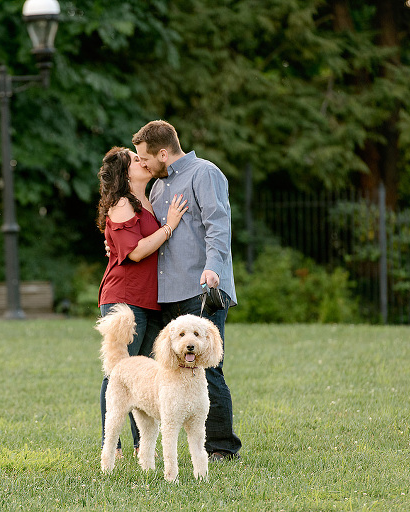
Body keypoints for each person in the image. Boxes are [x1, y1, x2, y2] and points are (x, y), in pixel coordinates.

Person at [131, 120, 242, 461]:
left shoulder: (204, 173)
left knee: (208, 368)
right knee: (168, 370)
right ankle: (151, 447)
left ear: (163, 153)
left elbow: (218, 224)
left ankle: (221, 447)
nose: (143, 165)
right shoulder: (159, 187)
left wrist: (213, 266)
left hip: (203, 287)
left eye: (145, 158)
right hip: (168, 294)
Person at [96, 146, 188, 458]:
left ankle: (141, 446)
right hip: (124, 297)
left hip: (149, 298)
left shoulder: (148, 197)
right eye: (135, 160)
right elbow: (134, 251)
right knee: (119, 372)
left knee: (146, 376)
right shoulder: (122, 203)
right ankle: (114, 448)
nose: (142, 161)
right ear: (124, 173)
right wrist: (170, 226)